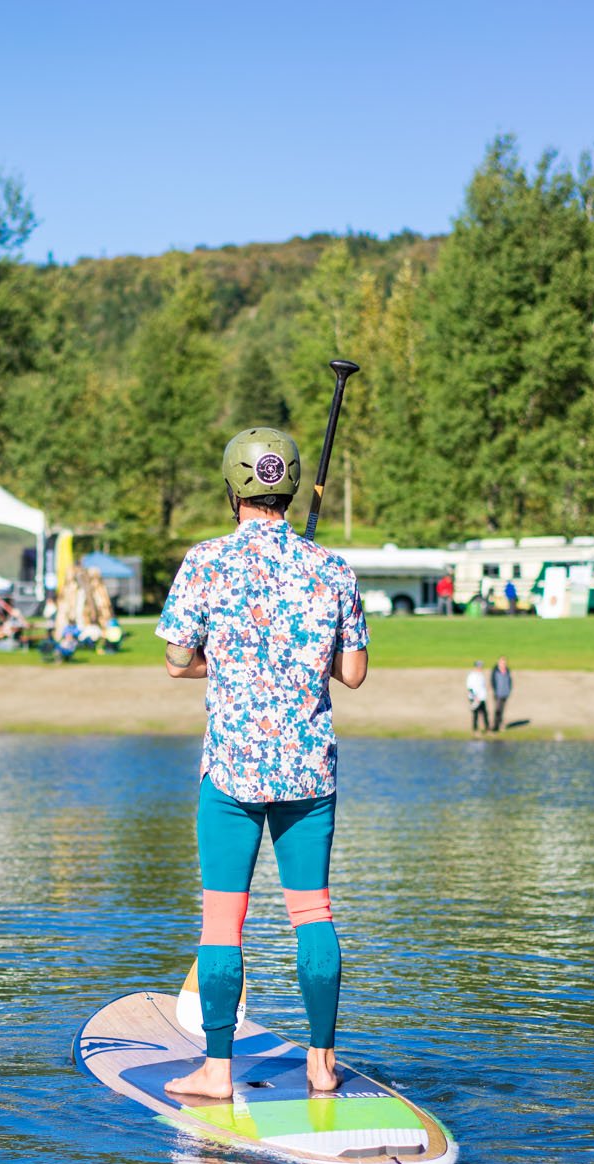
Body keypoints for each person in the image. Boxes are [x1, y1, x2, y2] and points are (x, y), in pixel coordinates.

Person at [156, 426, 369, 1101]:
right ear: (293, 486)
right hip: (309, 771)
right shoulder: (332, 567)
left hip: (232, 772)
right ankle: (322, 1063)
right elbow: (354, 672)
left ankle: (217, 1071)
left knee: (223, 921)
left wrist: (231, 659)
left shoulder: (205, 561)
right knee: (315, 913)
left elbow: (174, 658)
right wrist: (304, 659)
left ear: (233, 489)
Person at [466, 659, 490, 733]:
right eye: (479, 666)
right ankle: (475, 729)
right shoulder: (472, 675)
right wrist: (475, 697)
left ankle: (487, 728)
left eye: (481, 666)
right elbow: (469, 687)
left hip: (482, 698)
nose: (480, 668)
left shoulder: (481, 675)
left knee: (485, 713)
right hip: (475, 698)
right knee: (475, 714)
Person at [490, 656, 513, 730]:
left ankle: (500, 724)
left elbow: (509, 681)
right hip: (498, 693)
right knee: (497, 710)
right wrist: (495, 690)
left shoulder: (507, 671)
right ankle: (495, 726)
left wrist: (509, 690)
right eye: (501, 662)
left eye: (504, 663)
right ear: (498, 663)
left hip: (505, 693)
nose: (503, 664)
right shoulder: (495, 671)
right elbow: (492, 681)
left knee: (502, 710)